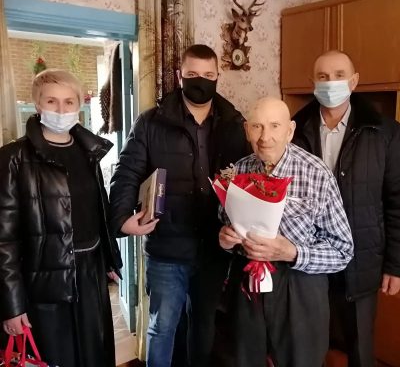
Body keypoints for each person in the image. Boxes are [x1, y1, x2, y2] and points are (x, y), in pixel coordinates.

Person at [109, 44, 250, 367]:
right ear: (179, 76)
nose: (201, 81)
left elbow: (246, 178)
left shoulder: (234, 122)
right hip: (167, 248)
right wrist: (121, 218)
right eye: (192, 74)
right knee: (162, 329)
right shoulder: (151, 122)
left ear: (218, 76)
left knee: (203, 327)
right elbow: (127, 172)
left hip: (215, 248)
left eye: (209, 75)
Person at [218, 97, 354, 367]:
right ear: (246, 130)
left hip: (300, 286)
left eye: (274, 126)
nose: (264, 137)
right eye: (257, 126)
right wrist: (225, 239)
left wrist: (293, 252)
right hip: (248, 284)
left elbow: (343, 251)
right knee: (244, 359)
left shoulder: (316, 174)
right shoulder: (238, 170)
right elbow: (224, 220)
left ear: (290, 131)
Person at [0, 69, 122, 367]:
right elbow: (4, 240)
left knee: (95, 355)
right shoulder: (13, 158)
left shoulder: (89, 152)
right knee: (56, 358)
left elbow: (96, 211)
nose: (61, 109)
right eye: (51, 101)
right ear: (37, 104)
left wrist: (108, 259)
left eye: (69, 102)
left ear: (79, 105)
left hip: (90, 273)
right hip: (43, 281)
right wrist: (12, 305)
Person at [292, 50, 400, 367]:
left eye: (339, 75)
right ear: (312, 82)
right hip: (310, 259)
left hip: (362, 259)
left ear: (354, 81)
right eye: (323, 77)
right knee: (309, 346)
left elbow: (397, 202)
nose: (331, 83)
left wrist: (395, 265)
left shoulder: (385, 132)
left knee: (360, 348)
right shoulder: (293, 131)